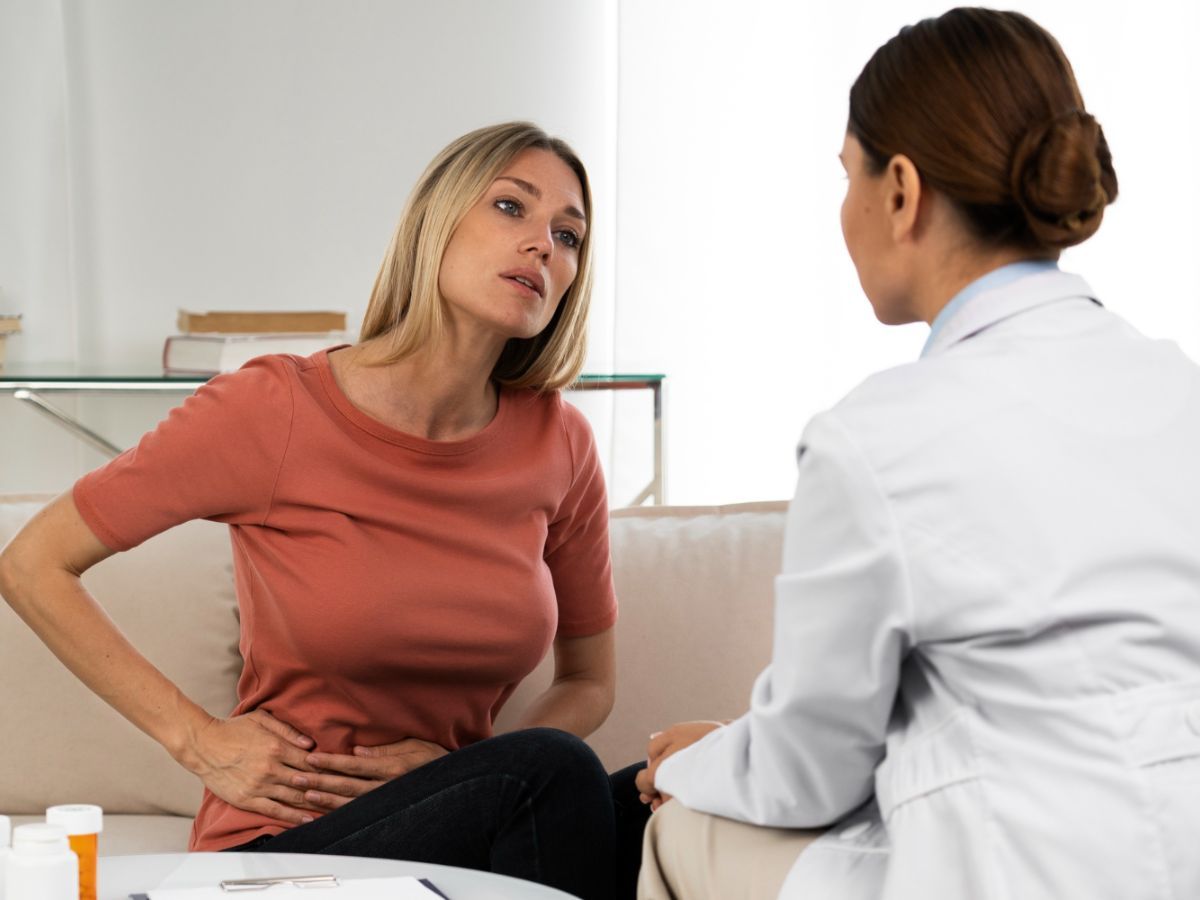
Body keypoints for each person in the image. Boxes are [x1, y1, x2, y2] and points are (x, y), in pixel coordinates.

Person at [633, 9, 1200, 900]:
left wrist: (701, 759)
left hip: (1018, 876)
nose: (845, 210)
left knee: (683, 824)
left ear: (900, 189)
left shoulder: (877, 436)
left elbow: (807, 773)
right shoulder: (1180, 389)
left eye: (847, 176)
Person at [0, 121, 626, 900]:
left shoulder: (559, 442)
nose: (544, 246)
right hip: (288, 848)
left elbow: (590, 681)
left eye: (569, 236)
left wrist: (475, 768)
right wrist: (197, 741)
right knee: (558, 772)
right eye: (511, 208)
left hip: (472, 834)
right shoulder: (273, 410)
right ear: (435, 223)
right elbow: (32, 564)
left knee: (658, 793)